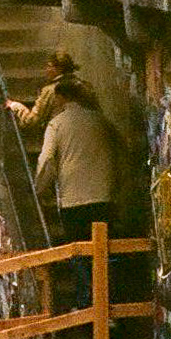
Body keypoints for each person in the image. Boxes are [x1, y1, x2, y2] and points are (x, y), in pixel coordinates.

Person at [33, 65, 120, 309]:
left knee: (81, 254)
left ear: (61, 98)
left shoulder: (57, 124)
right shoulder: (99, 120)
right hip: (103, 198)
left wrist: (39, 190)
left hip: (74, 201)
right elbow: (120, 151)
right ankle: (108, 306)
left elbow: (47, 160)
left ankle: (87, 305)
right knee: (105, 254)